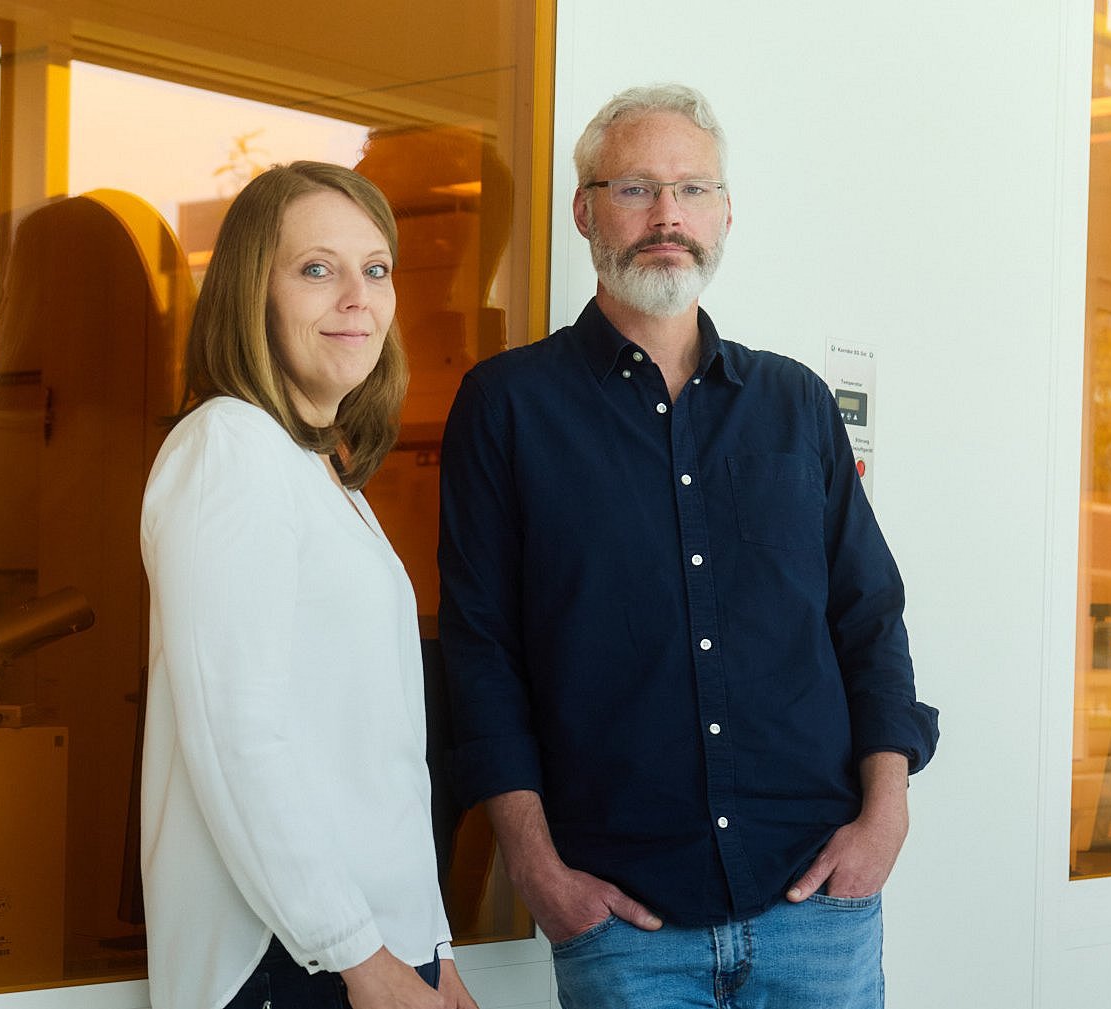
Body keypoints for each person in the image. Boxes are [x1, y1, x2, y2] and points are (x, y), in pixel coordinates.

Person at [437, 84, 940, 1009]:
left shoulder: (794, 403)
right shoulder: (507, 407)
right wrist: (537, 869)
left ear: (726, 213)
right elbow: (481, 651)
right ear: (584, 210)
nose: (667, 215)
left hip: (819, 906)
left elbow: (867, 618)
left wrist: (885, 817)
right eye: (635, 188)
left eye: (692, 189)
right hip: (624, 921)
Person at [140, 161, 478, 1009]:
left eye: (375, 269)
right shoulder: (229, 448)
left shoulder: (326, 475)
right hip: (291, 961)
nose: (357, 296)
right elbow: (238, 739)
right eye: (316, 269)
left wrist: (434, 951)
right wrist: (358, 955)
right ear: (253, 293)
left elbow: (382, 761)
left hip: (366, 951)